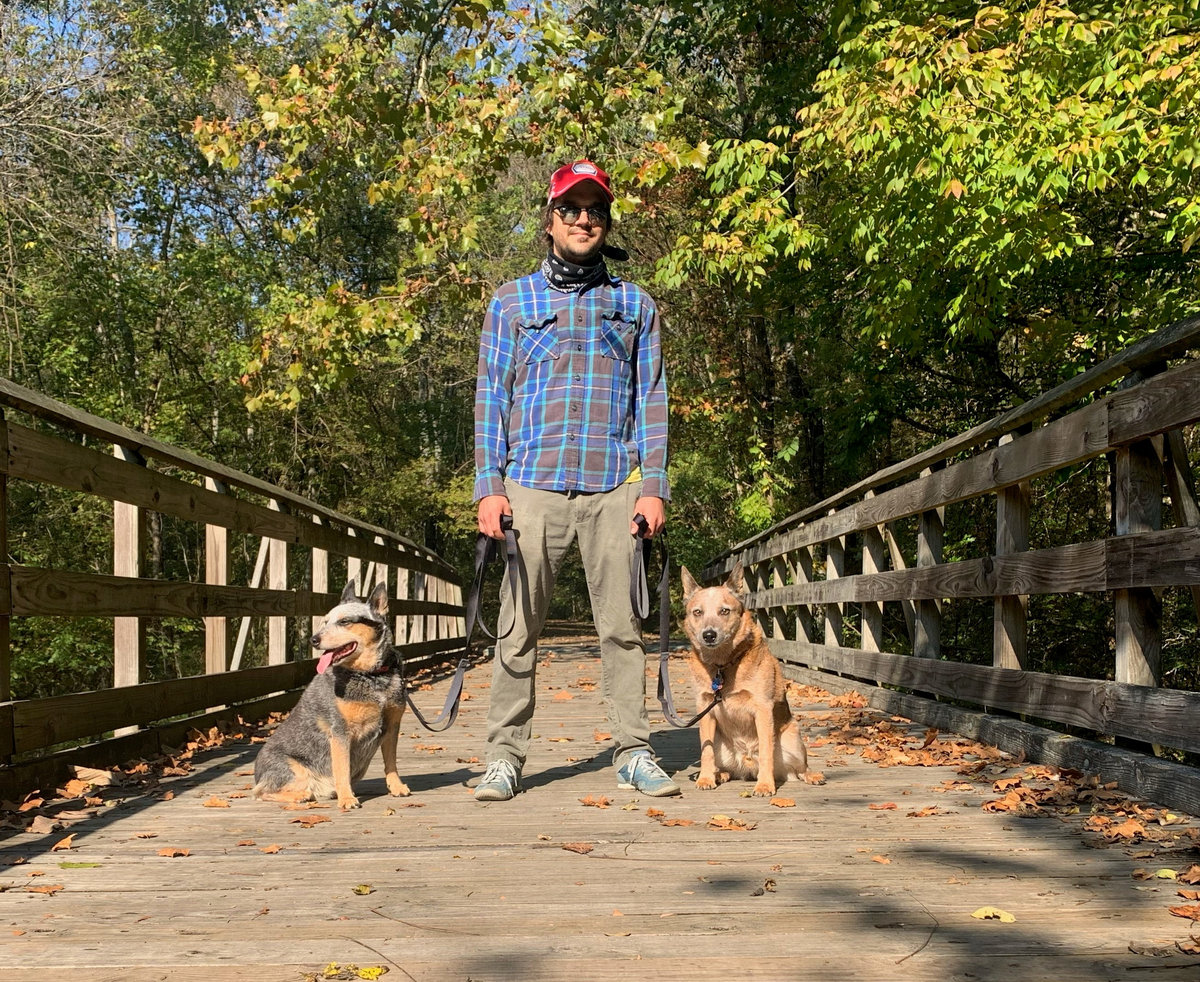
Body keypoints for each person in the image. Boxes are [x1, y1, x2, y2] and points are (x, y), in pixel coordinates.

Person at [472, 159, 679, 800]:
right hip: (529, 487)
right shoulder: (511, 301)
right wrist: (489, 486)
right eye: (571, 208)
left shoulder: (635, 305)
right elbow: (491, 397)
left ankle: (634, 751)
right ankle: (504, 756)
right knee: (517, 629)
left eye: (595, 210)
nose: (583, 219)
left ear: (606, 222)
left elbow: (652, 398)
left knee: (622, 629)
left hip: (615, 486)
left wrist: (654, 487)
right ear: (550, 219)